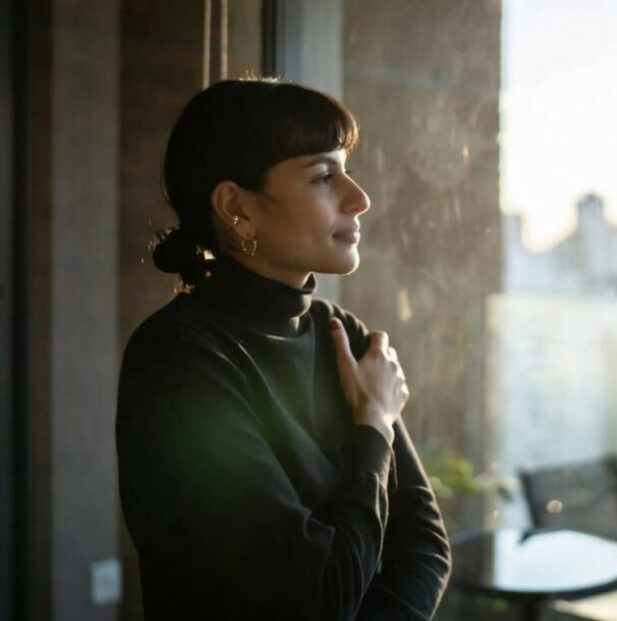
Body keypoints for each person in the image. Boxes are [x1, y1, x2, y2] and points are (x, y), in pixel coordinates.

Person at [116, 78, 452, 620]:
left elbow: (425, 548)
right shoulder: (178, 360)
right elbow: (318, 599)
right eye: (323, 175)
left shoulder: (344, 332)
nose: (358, 197)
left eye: (346, 168)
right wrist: (373, 425)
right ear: (237, 207)